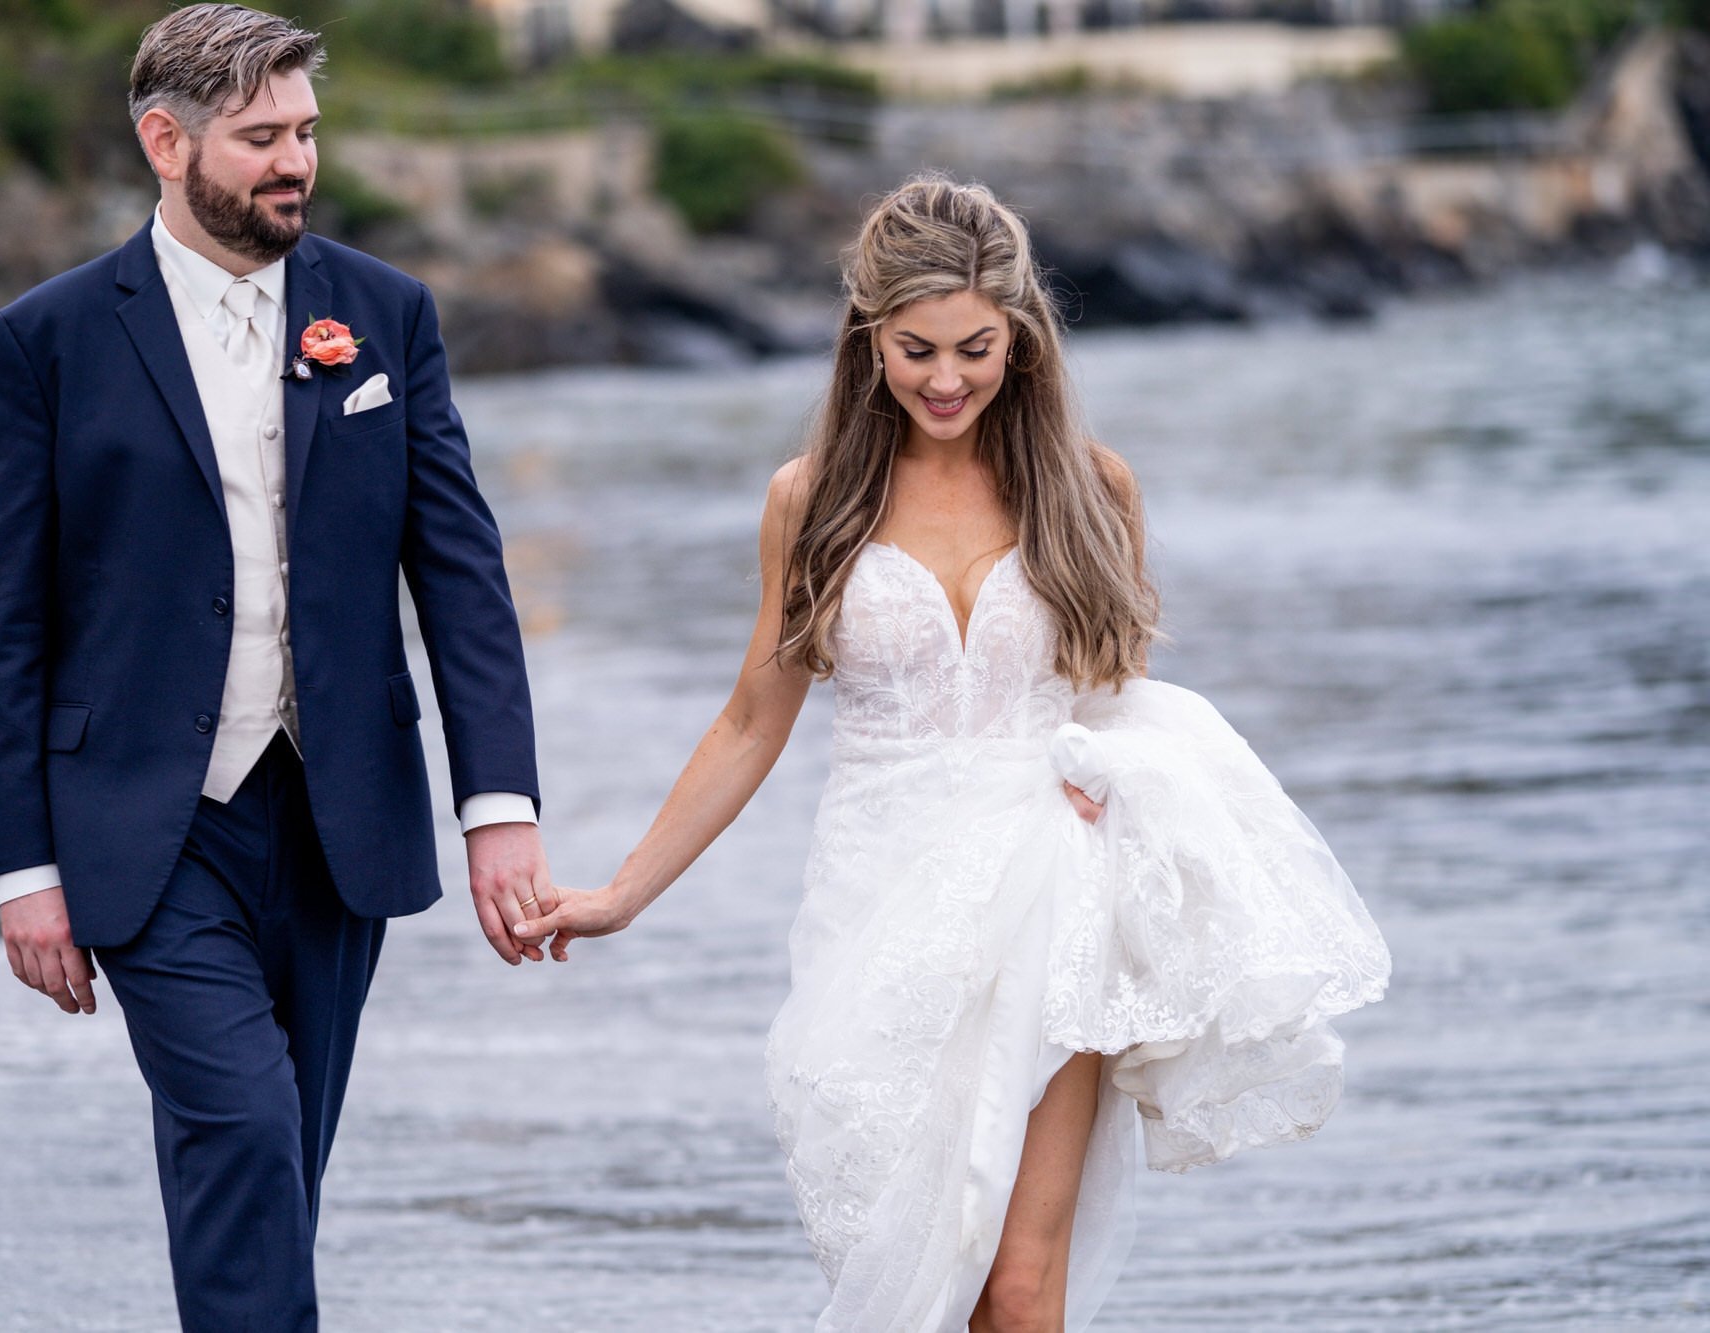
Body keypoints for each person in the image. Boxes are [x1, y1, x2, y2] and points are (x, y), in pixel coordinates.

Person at [517, 176, 1393, 1331]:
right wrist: (619, 894)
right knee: (917, 1270)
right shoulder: (811, 499)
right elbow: (750, 718)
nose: (945, 379)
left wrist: (1108, 794)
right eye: (916, 349)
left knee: (1019, 1289)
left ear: (1020, 338)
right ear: (867, 338)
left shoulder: (1090, 487)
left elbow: (1120, 701)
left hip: (1050, 891)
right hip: (876, 900)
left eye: (975, 349)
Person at [0, 7, 553, 1329]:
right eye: (261, 137)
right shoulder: (45, 343)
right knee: (239, 1132)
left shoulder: (384, 317)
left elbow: (458, 572)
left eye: (307, 132)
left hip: (344, 815)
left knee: (279, 1161)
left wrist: (498, 810)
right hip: (146, 827)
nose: (297, 162)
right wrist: (24, 874)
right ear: (164, 141)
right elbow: (1, 628)